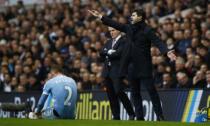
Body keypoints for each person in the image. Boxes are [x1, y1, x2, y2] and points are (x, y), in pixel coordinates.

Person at [88, 8, 176, 121]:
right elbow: (115, 24)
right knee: (135, 93)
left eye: (133, 15)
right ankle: (139, 117)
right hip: (131, 66)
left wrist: (167, 52)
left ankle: (159, 115)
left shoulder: (147, 30)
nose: (131, 16)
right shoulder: (129, 28)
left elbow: (157, 41)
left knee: (152, 91)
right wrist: (101, 17)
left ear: (140, 17)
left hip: (144, 66)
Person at [100, 26, 135, 120]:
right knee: (111, 95)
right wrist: (109, 52)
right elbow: (101, 52)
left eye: (113, 30)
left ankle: (131, 113)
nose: (111, 33)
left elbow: (118, 53)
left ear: (119, 30)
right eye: (110, 31)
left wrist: (108, 53)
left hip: (117, 71)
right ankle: (116, 116)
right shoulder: (108, 42)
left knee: (119, 91)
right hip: (107, 71)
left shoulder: (123, 41)